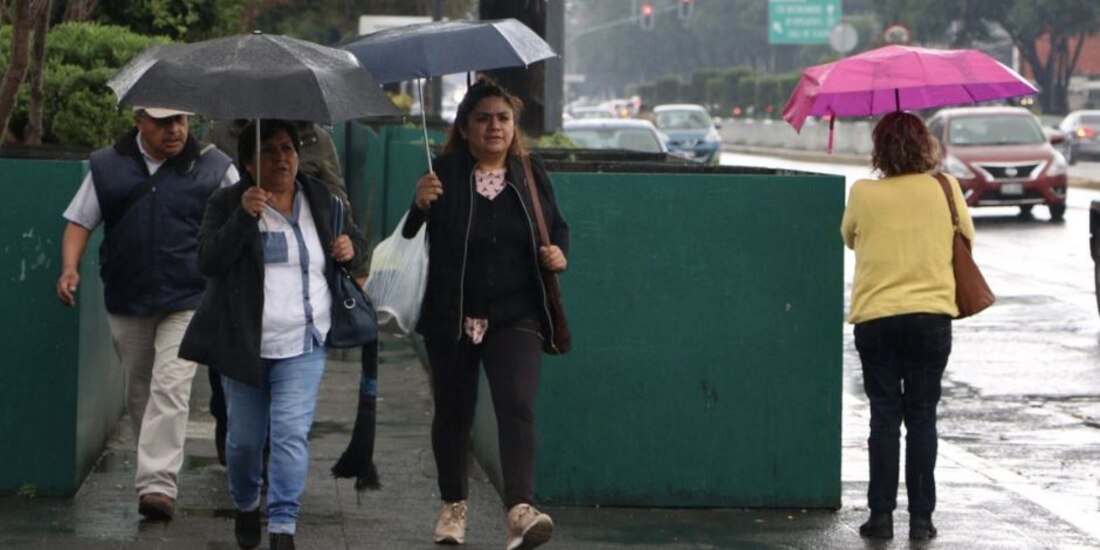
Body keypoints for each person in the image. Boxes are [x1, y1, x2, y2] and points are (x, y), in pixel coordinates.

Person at [179, 119, 366, 550]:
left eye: (288, 149)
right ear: (248, 163)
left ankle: (283, 525)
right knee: (244, 442)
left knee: (289, 433)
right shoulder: (227, 202)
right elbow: (208, 260)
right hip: (245, 345)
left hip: (304, 341)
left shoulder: (321, 199)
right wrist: (243, 217)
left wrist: (350, 249)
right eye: (269, 151)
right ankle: (246, 503)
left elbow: (354, 243)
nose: (282, 158)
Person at [403, 77, 569, 550]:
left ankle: (519, 511)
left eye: (503, 118)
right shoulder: (443, 173)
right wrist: (418, 205)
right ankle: (453, 506)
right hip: (452, 315)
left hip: (517, 314)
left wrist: (558, 254)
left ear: (514, 125)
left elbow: (557, 228)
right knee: (454, 412)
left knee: (517, 407)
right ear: (465, 127)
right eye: (482, 119)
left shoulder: (530, 172)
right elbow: (410, 237)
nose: (494, 127)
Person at [55, 106, 237, 521]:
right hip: (128, 297)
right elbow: (79, 222)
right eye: (162, 121)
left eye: (180, 120)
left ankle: (158, 484)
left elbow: (243, 220)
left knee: (170, 386)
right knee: (139, 391)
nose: (174, 129)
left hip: (189, 297)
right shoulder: (107, 166)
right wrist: (69, 268)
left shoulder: (215, 167)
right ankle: (154, 467)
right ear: (139, 120)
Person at [840, 111, 975, 541]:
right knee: (921, 417)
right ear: (925, 146)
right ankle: (921, 519)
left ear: (879, 150)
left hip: (877, 318)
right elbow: (968, 237)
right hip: (930, 318)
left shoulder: (863, 192)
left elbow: (849, 237)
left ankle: (880, 517)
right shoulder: (945, 187)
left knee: (884, 417)